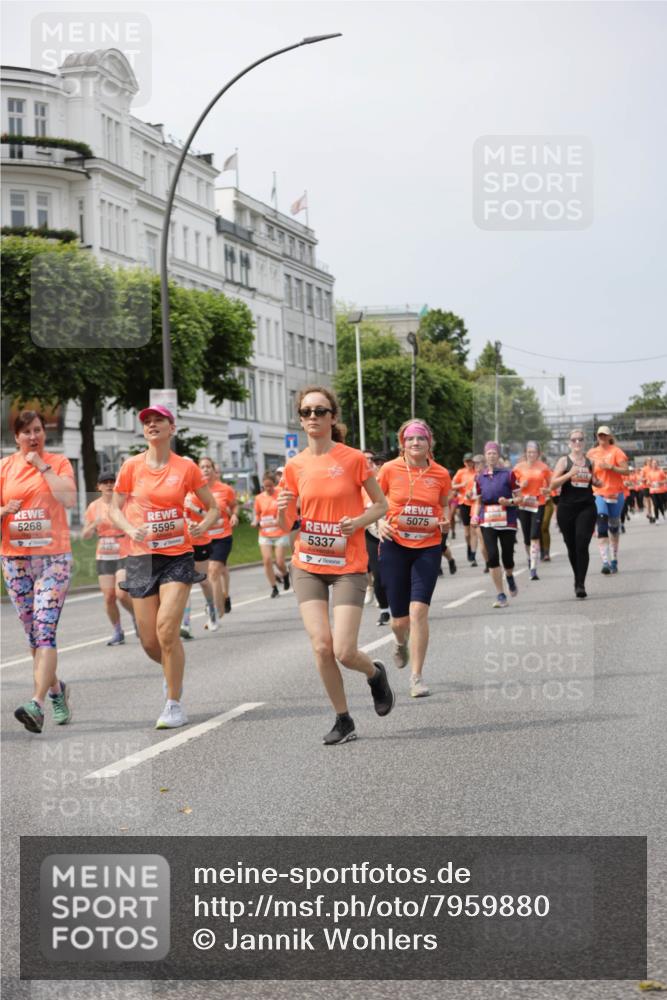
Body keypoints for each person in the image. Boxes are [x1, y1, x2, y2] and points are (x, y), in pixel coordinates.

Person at [277, 386, 393, 745]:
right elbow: (285, 524)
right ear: (300, 420)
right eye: (306, 412)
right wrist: (281, 509)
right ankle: (344, 720)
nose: (313, 416)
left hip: (348, 563)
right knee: (321, 646)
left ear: (332, 417)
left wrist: (357, 522)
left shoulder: (353, 459)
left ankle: (374, 674)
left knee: (344, 650)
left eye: (320, 411)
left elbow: (381, 505)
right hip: (308, 562)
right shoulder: (294, 466)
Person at [110, 405, 219, 729]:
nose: (152, 425)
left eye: (159, 420)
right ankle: (173, 670)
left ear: (172, 428)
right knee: (149, 642)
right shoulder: (131, 466)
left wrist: (202, 526)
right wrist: (130, 529)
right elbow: (114, 509)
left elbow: (212, 507)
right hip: (141, 558)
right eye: (147, 421)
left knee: (167, 629)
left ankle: (174, 704)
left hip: (176, 556)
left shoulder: (186, 467)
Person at [1, 410, 77, 733]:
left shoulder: (58, 463)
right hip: (15, 560)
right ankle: (57, 690)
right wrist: (4, 510)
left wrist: (42, 467)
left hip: (53, 559)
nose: (33, 437)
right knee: (33, 635)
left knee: (45, 630)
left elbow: (69, 499)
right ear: (16, 437)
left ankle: (37, 704)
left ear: (44, 433)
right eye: (26, 432)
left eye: (37, 430)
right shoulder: (4, 468)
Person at [376, 419, 451, 698]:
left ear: (429, 443)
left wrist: (446, 521)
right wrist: (379, 522)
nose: (415, 443)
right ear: (402, 443)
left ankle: (416, 677)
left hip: (428, 546)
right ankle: (399, 641)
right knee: (400, 621)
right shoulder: (389, 469)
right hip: (394, 545)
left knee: (419, 610)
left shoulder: (441, 473)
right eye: (410, 439)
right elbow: (373, 501)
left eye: (421, 438)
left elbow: (444, 504)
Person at [82, 466, 135, 645]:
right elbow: (85, 535)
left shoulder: (124, 503)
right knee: (109, 597)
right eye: (105, 482)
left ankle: (136, 616)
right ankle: (118, 631)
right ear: (98, 487)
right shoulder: (93, 507)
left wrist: (117, 522)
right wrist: (94, 523)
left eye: (112, 482)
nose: (109, 485)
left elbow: (132, 525)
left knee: (122, 594)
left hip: (123, 551)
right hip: (104, 554)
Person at [551, 430, 601, 598]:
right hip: (566, 508)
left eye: (580, 439)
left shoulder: (590, 462)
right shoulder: (564, 461)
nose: (577, 442)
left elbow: (593, 481)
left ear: (584, 442)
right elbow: (553, 484)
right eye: (574, 440)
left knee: (582, 544)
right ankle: (577, 577)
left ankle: (580, 584)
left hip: (586, 507)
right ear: (569, 443)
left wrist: (598, 482)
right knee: (571, 546)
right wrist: (569, 474)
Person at [180, 456, 225, 637]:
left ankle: (213, 613)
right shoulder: (174, 492)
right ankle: (185, 624)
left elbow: (216, 518)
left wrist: (195, 510)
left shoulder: (199, 491)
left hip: (200, 542)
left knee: (203, 581)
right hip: (181, 543)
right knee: (185, 583)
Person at [471, 442, 519, 608]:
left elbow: (519, 498)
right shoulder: (480, 477)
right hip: (488, 521)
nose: (491, 456)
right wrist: (475, 516)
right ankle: (500, 594)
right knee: (492, 556)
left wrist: (509, 501)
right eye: (488, 453)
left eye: (494, 453)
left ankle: (509, 576)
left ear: (498, 455)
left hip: (507, 521)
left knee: (507, 557)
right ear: (485, 456)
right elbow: (478, 501)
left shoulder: (509, 474)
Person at [587, 425, 629, 574]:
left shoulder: (616, 451)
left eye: (605, 435)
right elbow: (587, 472)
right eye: (600, 435)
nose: (602, 438)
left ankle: (614, 559)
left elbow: (626, 471)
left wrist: (611, 467)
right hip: (599, 493)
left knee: (614, 527)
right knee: (602, 520)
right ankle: (605, 562)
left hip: (616, 494)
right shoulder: (591, 453)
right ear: (597, 437)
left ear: (610, 437)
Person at [513, 442, 552, 581]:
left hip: (538, 503)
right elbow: (511, 486)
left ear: (538, 453)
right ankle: (530, 558)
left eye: (533, 452)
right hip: (523, 503)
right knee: (526, 536)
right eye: (529, 452)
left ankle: (534, 568)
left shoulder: (544, 467)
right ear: (525, 453)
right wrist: (520, 485)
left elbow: (551, 484)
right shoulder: (518, 468)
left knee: (534, 534)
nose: (531, 454)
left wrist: (547, 490)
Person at [362, 451, 390, 625]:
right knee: (378, 574)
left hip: (392, 532)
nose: (377, 466)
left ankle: (404, 604)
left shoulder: (393, 481)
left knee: (396, 572)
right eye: (375, 463)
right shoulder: (363, 485)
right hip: (371, 533)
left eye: (380, 463)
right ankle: (384, 610)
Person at [206, 466, 238, 616]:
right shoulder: (196, 490)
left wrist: (234, 515)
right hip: (204, 538)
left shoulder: (225, 489)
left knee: (214, 570)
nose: (205, 470)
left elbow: (234, 505)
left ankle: (217, 609)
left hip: (222, 536)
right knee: (216, 571)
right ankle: (221, 599)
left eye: (208, 467)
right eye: (202, 467)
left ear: (214, 471)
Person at [254, 472, 291, 597]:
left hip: (280, 532)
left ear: (274, 484)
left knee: (279, 561)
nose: (268, 488)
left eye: (270, 486)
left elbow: (287, 510)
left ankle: (285, 574)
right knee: (267, 560)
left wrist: (280, 518)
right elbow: (257, 514)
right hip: (265, 533)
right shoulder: (259, 498)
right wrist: (255, 521)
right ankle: (274, 587)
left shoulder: (280, 493)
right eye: (265, 486)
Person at [451, 453, 477, 566]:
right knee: (467, 533)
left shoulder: (477, 472)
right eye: (466, 461)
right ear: (464, 462)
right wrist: (461, 484)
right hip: (464, 503)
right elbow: (452, 485)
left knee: (473, 530)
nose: (468, 463)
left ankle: (473, 555)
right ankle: (469, 547)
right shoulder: (461, 472)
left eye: (470, 461)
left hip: (475, 504)